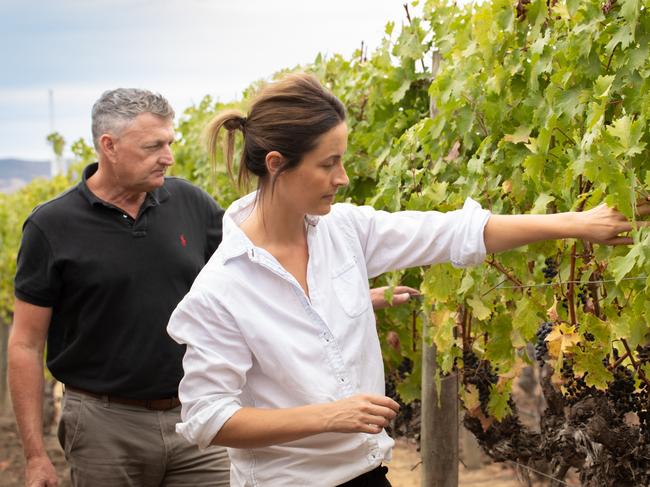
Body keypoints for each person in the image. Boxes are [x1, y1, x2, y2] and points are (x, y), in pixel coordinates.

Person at [166, 73, 649, 487]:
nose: (343, 177)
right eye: (328, 163)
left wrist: (576, 223)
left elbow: (450, 232)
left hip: (368, 474)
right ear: (276, 165)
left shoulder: (344, 232)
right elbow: (210, 418)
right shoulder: (222, 289)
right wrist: (330, 416)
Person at [7, 87, 414, 487]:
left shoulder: (189, 201)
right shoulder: (52, 226)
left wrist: (347, 299)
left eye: (169, 142)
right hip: (107, 426)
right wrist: (35, 454)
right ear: (108, 146)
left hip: (196, 420)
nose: (168, 157)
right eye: (153, 147)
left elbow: (263, 273)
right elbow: (25, 343)